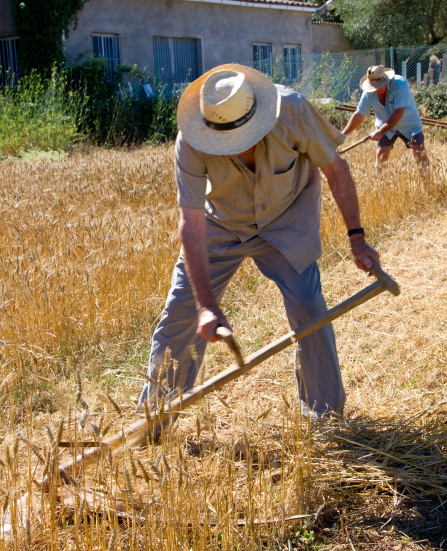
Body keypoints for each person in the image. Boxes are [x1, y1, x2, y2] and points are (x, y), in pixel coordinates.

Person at [137, 63, 380, 424]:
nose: (231, 149)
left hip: (287, 219)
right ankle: (155, 421)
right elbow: (191, 224)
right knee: (181, 314)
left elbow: (336, 170)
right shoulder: (190, 140)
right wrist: (206, 305)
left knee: (309, 308)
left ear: (260, 119)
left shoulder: (293, 110)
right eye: (222, 142)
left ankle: (324, 416)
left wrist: (357, 239)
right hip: (221, 224)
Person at [341, 65, 428, 169]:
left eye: (380, 85)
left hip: (409, 124)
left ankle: (426, 179)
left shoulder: (400, 84)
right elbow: (359, 115)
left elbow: (398, 114)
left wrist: (380, 132)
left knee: (419, 153)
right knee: (380, 156)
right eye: (374, 87)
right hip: (384, 125)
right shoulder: (368, 93)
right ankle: (380, 179)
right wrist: (342, 135)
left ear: (386, 80)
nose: (378, 89)